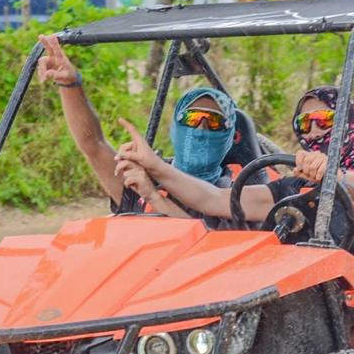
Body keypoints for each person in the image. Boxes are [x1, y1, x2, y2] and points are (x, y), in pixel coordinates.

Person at [113, 85, 354, 262]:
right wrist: (156, 168)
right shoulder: (293, 188)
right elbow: (214, 199)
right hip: (323, 310)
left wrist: (334, 177)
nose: (313, 131)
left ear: (346, 122)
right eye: (304, 124)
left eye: (324, 120)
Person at [35, 35, 236, 219]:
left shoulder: (238, 194)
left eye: (214, 122)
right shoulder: (141, 179)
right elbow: (93, 144)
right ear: (175, 128)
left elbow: (211, 239)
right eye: (191, 119)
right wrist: (70, 84)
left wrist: (154, 198)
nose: (200, 129)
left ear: (229, 136)